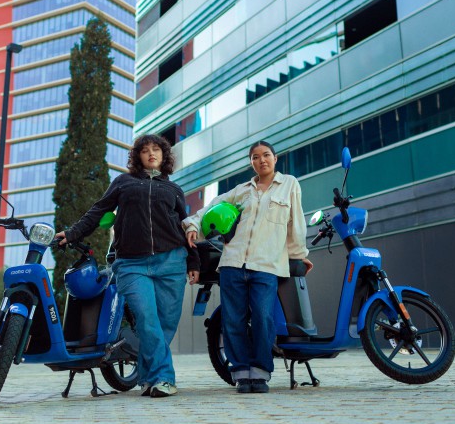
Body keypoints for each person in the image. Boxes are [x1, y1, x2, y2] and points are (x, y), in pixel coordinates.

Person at [56, 134, 200, 398]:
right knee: (147, 319)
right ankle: (164, 378)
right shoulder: (124, 183)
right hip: (132, 264)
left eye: (156, 149)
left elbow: (185, 227)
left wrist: (193, 260)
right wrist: (73, 233)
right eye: (145, 151)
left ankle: (148, 377)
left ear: (164, 156)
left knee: (166, 323)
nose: (151, 154)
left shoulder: (174, 189)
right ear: (138, 157)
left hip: (171, 261)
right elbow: (98, 210)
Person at [183, 140, 312, 394]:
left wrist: (298, 255)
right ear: (251, 162)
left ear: (275, 158)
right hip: (232, 263)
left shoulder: (289, 185)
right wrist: (192, 225)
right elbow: (210, 207)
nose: (261, 160)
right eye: (255, 157)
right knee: (233, 320)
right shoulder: (241, 190)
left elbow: (295, 224)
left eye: (265, 155)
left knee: (264, 318)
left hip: (266, 265)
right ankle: (242, 373)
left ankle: (261, 373)